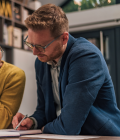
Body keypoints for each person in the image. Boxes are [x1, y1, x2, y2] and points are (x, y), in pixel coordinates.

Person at [12, 3, 120, 136]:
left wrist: (42, 129)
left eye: (41, 46)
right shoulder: (41, 62)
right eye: (30, 44)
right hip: (63, 136)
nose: (34, 52)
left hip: (101, 137)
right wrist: (32, 121)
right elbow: (44, 110)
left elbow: (69, 126)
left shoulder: (85, 57)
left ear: (64, 38)